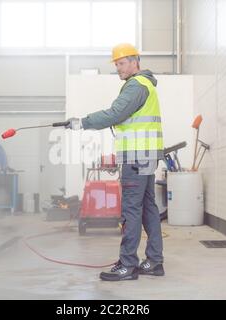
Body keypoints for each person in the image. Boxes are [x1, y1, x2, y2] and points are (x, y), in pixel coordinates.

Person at [65, 43, 165, 281]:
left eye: (121, 63)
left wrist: (82, 122)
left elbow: (115, 113)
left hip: (136, 156)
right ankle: (153, 261)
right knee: (148, 208)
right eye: (117, 64)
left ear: (134, 61)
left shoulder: (135, 85)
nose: (118, 69)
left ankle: (128, 265)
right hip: (146, 155)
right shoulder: (146, 84)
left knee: (131, 210)